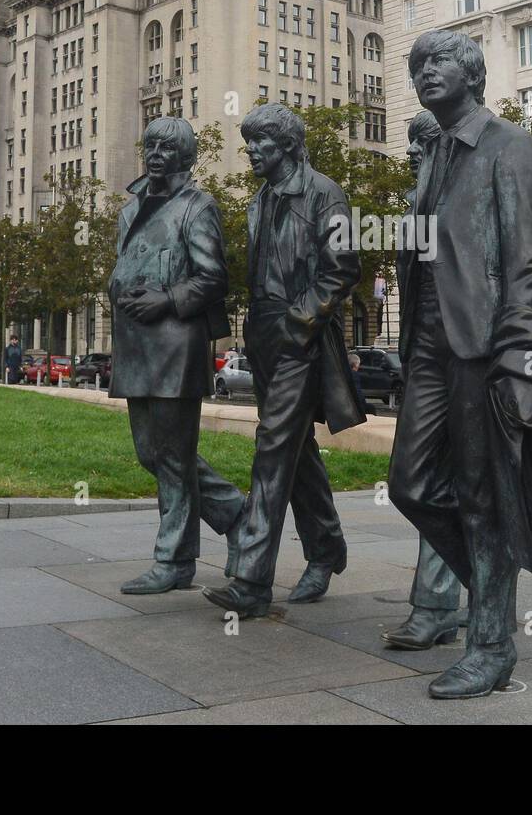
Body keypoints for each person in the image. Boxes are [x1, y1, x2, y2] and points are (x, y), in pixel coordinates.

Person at [389, 29, 532, 699]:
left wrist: (518, 348)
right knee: (411, 484)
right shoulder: (434, 158)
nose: (427, 72)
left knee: (485, 498)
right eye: (419, 65)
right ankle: (488, 591)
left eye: (441, 62)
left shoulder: (510, 147)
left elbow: (528, 260)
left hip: (483, 344)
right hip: (426, 344)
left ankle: (490, 643)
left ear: (472, 73)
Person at [203, 103, 366, 619]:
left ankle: (251, 580)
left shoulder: (325, 193)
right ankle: (327, 548)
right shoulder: (258, 202)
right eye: (249, 142)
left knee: (272, 446)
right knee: (296, 450)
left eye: (261, 143)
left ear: (289, 146)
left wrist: (300, 322)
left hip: (303, 335)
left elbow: (343, 269)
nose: (251, 151)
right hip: (265, 336)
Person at [108, 117, 247, 595]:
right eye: (151, 145)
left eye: (168, 147)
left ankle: (173, 559)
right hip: (134, 343)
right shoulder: (129, 210)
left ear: (186, 156)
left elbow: (213, 277)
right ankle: (237, 515)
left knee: (170, 453)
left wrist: (165, 299)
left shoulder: (198, 206)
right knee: (154, 453)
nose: (156, 153)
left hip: (175, 342)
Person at [381, 109, 464, 652]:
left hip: (471, 354)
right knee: (412, 480)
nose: (412, 152)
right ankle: (475, 582)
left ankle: (438, 605)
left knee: (466, 482)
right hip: (425, 356)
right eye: (411, 144)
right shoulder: (413, 206)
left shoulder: (471, 193)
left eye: (424, 143)